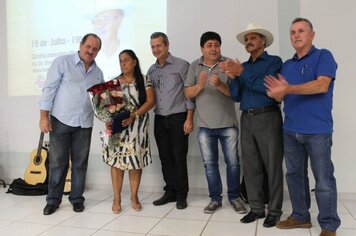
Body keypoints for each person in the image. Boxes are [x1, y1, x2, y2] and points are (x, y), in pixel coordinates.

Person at [264, 17, 341, 236]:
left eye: (301, 31)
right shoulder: (287, 65)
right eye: (292, 32)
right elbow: (281, 94)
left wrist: (287, 90)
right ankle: (300, 216)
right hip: (290, 130)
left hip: (318, 131)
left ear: (311, 35)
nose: (296, 35)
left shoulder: (323, 56)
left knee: (324, 179)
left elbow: (322, 85)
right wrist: (276, 93)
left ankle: (328, 225)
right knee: (295, 175)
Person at [221, 23, 284, 227]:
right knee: (250, 166)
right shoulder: (244, 67)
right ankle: (257, 209)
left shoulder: (274, 61)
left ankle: (274, 210)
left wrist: (241, 73)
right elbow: (238, 96)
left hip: (268, 117)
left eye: (253, 38)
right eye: (246, 39)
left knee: (272, 166)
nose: (248, 41)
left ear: (263, 41)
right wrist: (232, 78)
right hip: (246, 118)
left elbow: (268, 89)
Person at [39, 33, 104, 215]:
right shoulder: (62, 62)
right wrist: (44, 117)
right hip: (61, 120)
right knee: (57, 163)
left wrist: (108, 117)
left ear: (98, 52)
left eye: (95, 49)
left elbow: (100, 101)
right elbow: (49, 89)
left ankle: (76, 199)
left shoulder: (98, 73)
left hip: (84, 123)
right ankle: (53, 200)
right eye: (88, 46)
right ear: (81, 45)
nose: (90, 51)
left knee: (80, 164)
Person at [184, 31, 247, 214]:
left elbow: (236, 96)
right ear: (202, 48)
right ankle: (215, 199)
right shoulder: (195, 66)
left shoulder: (228, 65)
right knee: (209, 164)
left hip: (228, 124)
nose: (213, 48)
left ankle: (234, 198)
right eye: (209, 45)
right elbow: (187, 93)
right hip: (204, 126)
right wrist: (200, 86)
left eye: (216, 44)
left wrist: (220, 84)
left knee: (233, 163)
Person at [103, 49, 155, 213]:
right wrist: (107, 120)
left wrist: (134, 115)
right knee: (117, 163)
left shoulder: (145, 80)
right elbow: (107, 107)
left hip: (137, 128)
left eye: (126, 60)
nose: (123, 63)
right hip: (119, 130)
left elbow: (151, 101)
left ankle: (134, 196)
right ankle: (117, 197)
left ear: (135, 62)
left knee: (135, 162)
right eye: (120, 61)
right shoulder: (113, 83)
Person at [147, 32, 194, 210]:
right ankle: (170, 192)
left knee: (179, 158)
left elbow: (189, 94)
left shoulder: (182, 65)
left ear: (167, 45)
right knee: (165, 158)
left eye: (158, 46)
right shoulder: (151, 70)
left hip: (178, 118)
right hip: (159, 119)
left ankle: (182, 195)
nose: (155, 49)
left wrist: (189, 118)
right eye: (152, 47)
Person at [91, 0, 132, 81]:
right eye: (97, 20)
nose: (100, 25)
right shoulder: (90, 55)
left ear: (118, 19)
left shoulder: (129, 49)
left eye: (105, 19)